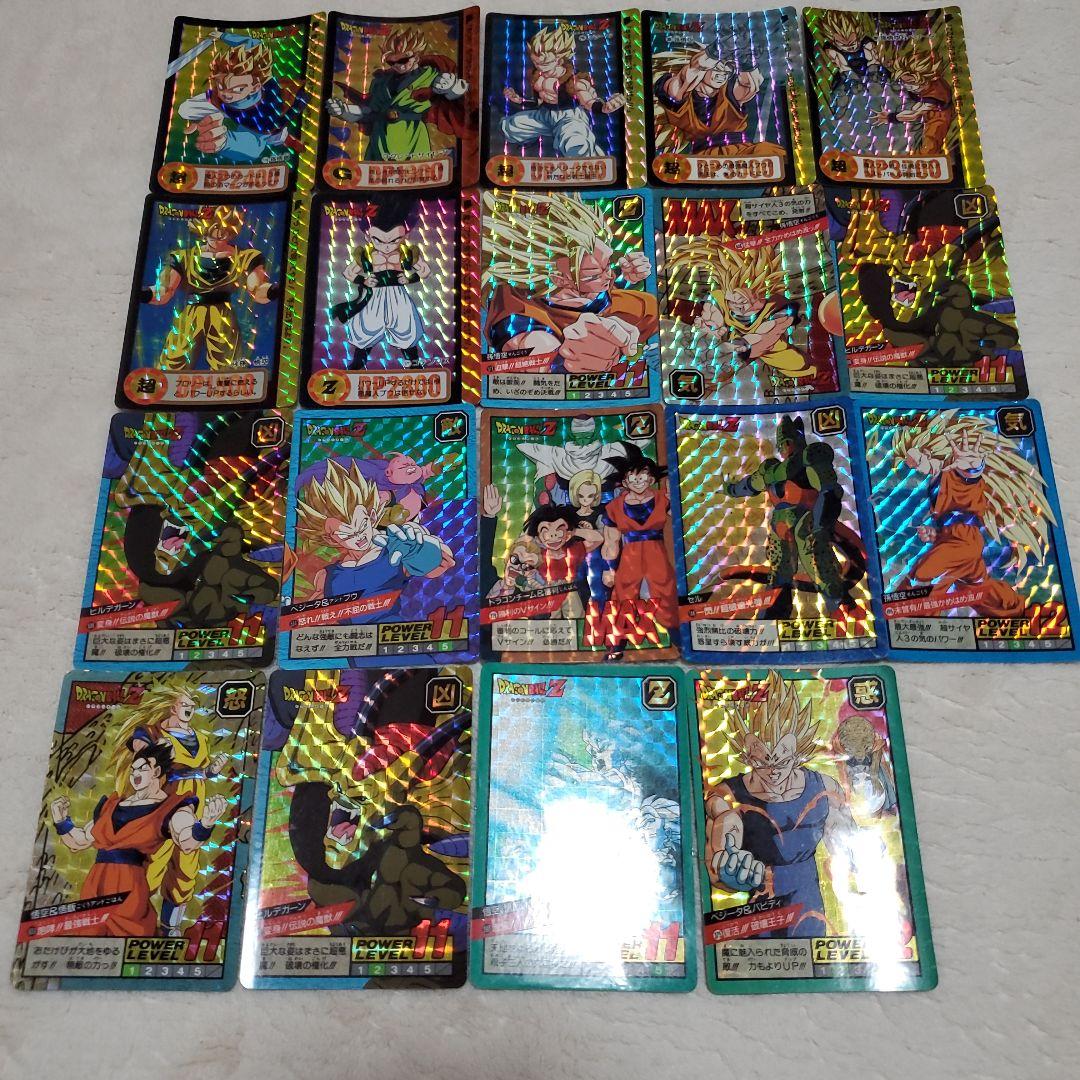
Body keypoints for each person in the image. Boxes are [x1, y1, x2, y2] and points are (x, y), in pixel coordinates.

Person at [50, 743, 227, 938]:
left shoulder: (172, 806)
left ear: (157, 772)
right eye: (133, 769)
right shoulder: (112, 804)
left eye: (142, 768)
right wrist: (62, 822)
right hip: (94, 889)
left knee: (128, 938)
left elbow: (186, 841)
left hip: (129, 891)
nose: (135, 773)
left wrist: (204, 825)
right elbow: (80, 841)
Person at [141, 205, 277, 372]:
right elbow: (165, 289)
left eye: (222, 233)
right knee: (174, 360)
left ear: (231, 232)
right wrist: (147, 294)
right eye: (211, 232)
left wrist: (271, 291)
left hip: (222, 315)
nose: (216, 238)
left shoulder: (245, 257)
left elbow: (256, 287)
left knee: (227, 366)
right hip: (191, 315)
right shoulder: (183, 257)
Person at [500, 24, 624, 159]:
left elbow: (589, 102)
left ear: (558, 60)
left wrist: (604, 108)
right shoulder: (538, 76)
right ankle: (534, 142)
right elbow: (539, 102)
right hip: (545, 116)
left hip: (569, 117)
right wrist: (519, 100)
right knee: (510, 126)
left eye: (544, 64)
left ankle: (595, 159)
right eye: (536, 63)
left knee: (576, 145)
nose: (540, 67)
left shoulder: (575, 80)